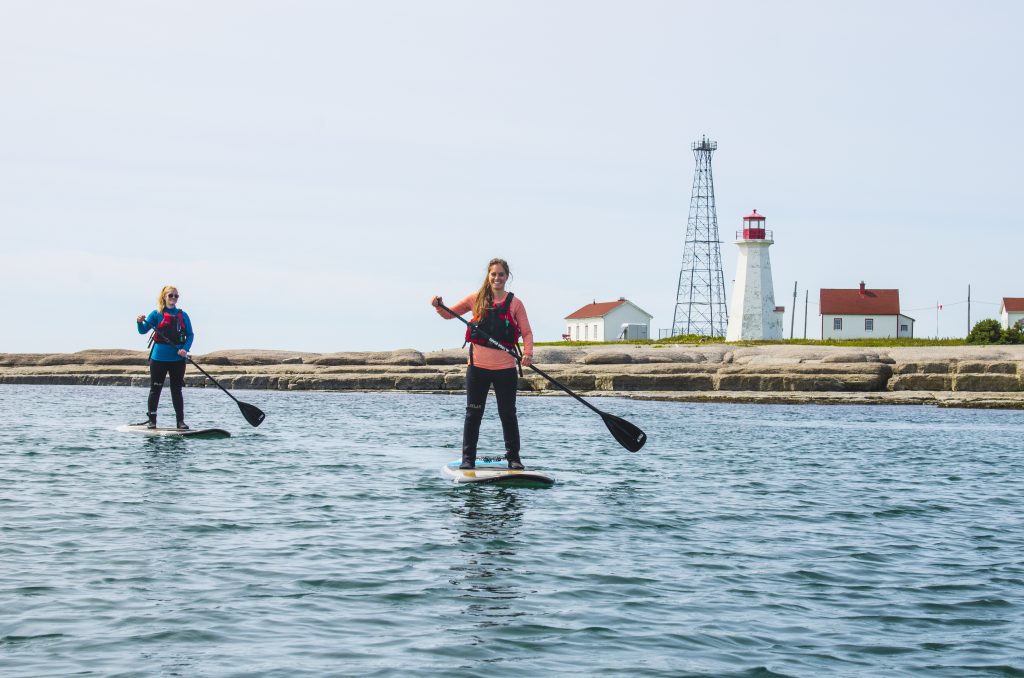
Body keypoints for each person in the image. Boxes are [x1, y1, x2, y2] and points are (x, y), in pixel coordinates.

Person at [431, 258, 534, 470]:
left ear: (507, 277)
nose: (497, 278)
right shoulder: (476, 299)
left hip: (505, 369)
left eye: (501, 275)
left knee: (508, 414)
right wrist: (437, 304)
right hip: (477, 368)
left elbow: (527, 332)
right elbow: (448, 314)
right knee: (473, 414)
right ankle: (468, 460)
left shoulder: (515, 303)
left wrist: (528, 353)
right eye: (493, 274)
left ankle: (513, 459)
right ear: (488, 276)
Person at [135, 285, 194, 429]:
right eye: (170, 296)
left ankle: (180, 422)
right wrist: (139, 321)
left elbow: (190, 335)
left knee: (176, 390)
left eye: (176, 296)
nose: (173, 298)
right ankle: (152, 420)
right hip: (159, 359)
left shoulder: (183, 315)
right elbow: (142, 330)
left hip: (177, 360)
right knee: (155, 389)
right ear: (164, 297)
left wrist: (185, 349)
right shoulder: (156, 314)